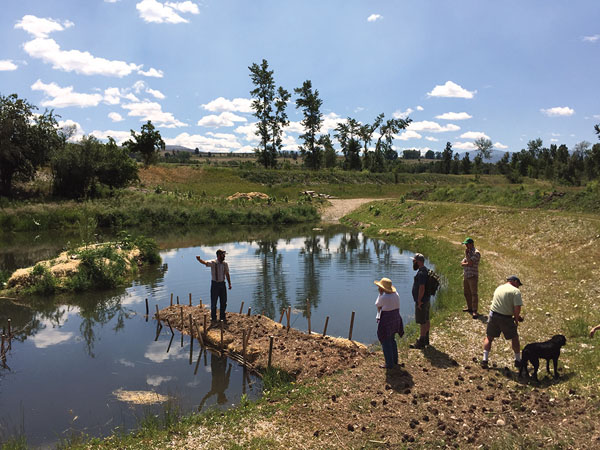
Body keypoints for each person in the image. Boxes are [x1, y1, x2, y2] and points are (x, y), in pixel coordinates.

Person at [481, 275, 524, 369]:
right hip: (506, 318)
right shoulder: (515, 291)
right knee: (514, 338)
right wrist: (516, 319)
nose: (518, 287)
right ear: (515, 281)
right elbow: (517, 308)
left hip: (493, 315)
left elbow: (502, 304)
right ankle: (518, 360)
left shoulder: (499, 288)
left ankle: (485, 359)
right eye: (518, 284)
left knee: (489, 338)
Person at [374, 277, 404, 369]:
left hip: (387, 321)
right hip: (395, 319)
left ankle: (389, 363)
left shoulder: (384, 297)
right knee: (392, 339)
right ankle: (395, 361)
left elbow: (377, 304)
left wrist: (380, 294)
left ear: (383, 288)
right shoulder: (396, 294)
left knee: (385, 341)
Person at [196, 249, 231, 323]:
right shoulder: (213, 263)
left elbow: (227, 274)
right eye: (222, 255)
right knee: (214, 302)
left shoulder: (225, 264)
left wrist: (229, 284)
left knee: (223, 302)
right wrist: (199, 260)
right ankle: (213, 318)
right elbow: (205, 263)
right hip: (215, 284)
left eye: (224, 255)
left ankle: (222, 317)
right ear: (218, 255)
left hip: (222, 284)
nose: (224, 256)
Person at [409, 253, 431, 349]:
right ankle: (426, 339)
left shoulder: (421, 273)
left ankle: (421, 341)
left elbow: (422, 287)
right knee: (426, 319)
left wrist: (419, 300)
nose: (413, 263)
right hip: (426, 300)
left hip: (422, 301)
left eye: (414, 261)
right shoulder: (425, 270)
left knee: (422, 321)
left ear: (418, 262)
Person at [461, 237, 481, 319]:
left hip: (472, 276)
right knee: (466, 293)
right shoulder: (469, 252)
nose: (465, 245)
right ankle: (469, 308)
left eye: (467, 244)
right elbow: (462, 263)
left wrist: (467, 257)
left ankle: (475, 310)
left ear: (471, 244)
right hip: (466, 275)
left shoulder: (476, 253)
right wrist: (467, 263)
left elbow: (470, 263)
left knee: (473, 294)